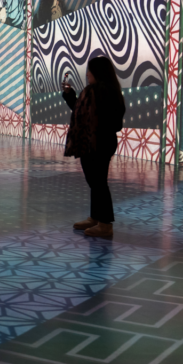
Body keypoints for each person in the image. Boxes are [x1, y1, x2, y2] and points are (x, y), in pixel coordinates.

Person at [62, 56, 126, 238]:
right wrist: (70, 95)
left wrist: (70, 96)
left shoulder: (95, 91)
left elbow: (80, 113)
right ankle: (96, 217)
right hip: (105, 141)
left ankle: (105, 224)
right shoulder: (113, 91)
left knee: (97, 182)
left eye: (89, 70)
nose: (87, 74)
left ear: (97, 72)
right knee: (97, 181)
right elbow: (112, 121)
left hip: (93, 142)